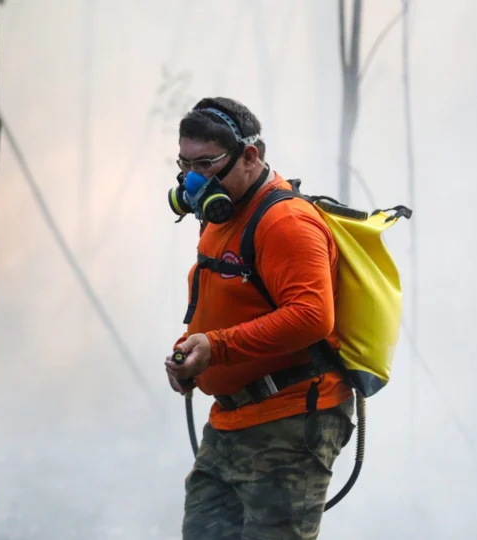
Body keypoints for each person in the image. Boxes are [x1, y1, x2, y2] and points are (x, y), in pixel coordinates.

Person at [164, 97, 355, 540]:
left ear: (251, 156)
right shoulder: (220, 214)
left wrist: (218, 347)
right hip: (229, 421)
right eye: (185, 162)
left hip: (288, 423)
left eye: (207, 163)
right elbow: (232, 305)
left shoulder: (286, 222)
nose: (193, 179)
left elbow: (311, 317)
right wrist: (192, 353)